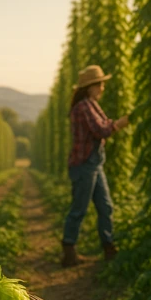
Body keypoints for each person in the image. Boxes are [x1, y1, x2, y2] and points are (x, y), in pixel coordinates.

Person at [61, 65, 130, 268]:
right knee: (79, 209)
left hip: (94, 164)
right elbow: (102, 130)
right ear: (90, 86)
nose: (102, 88)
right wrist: (121, 124)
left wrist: (113, 124)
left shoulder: (90, 104)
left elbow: (102, 123)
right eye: (100, 84)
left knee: (105, 206)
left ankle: (109, 247)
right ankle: (69, 251)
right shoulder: (83, 106)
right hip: (84, 165)